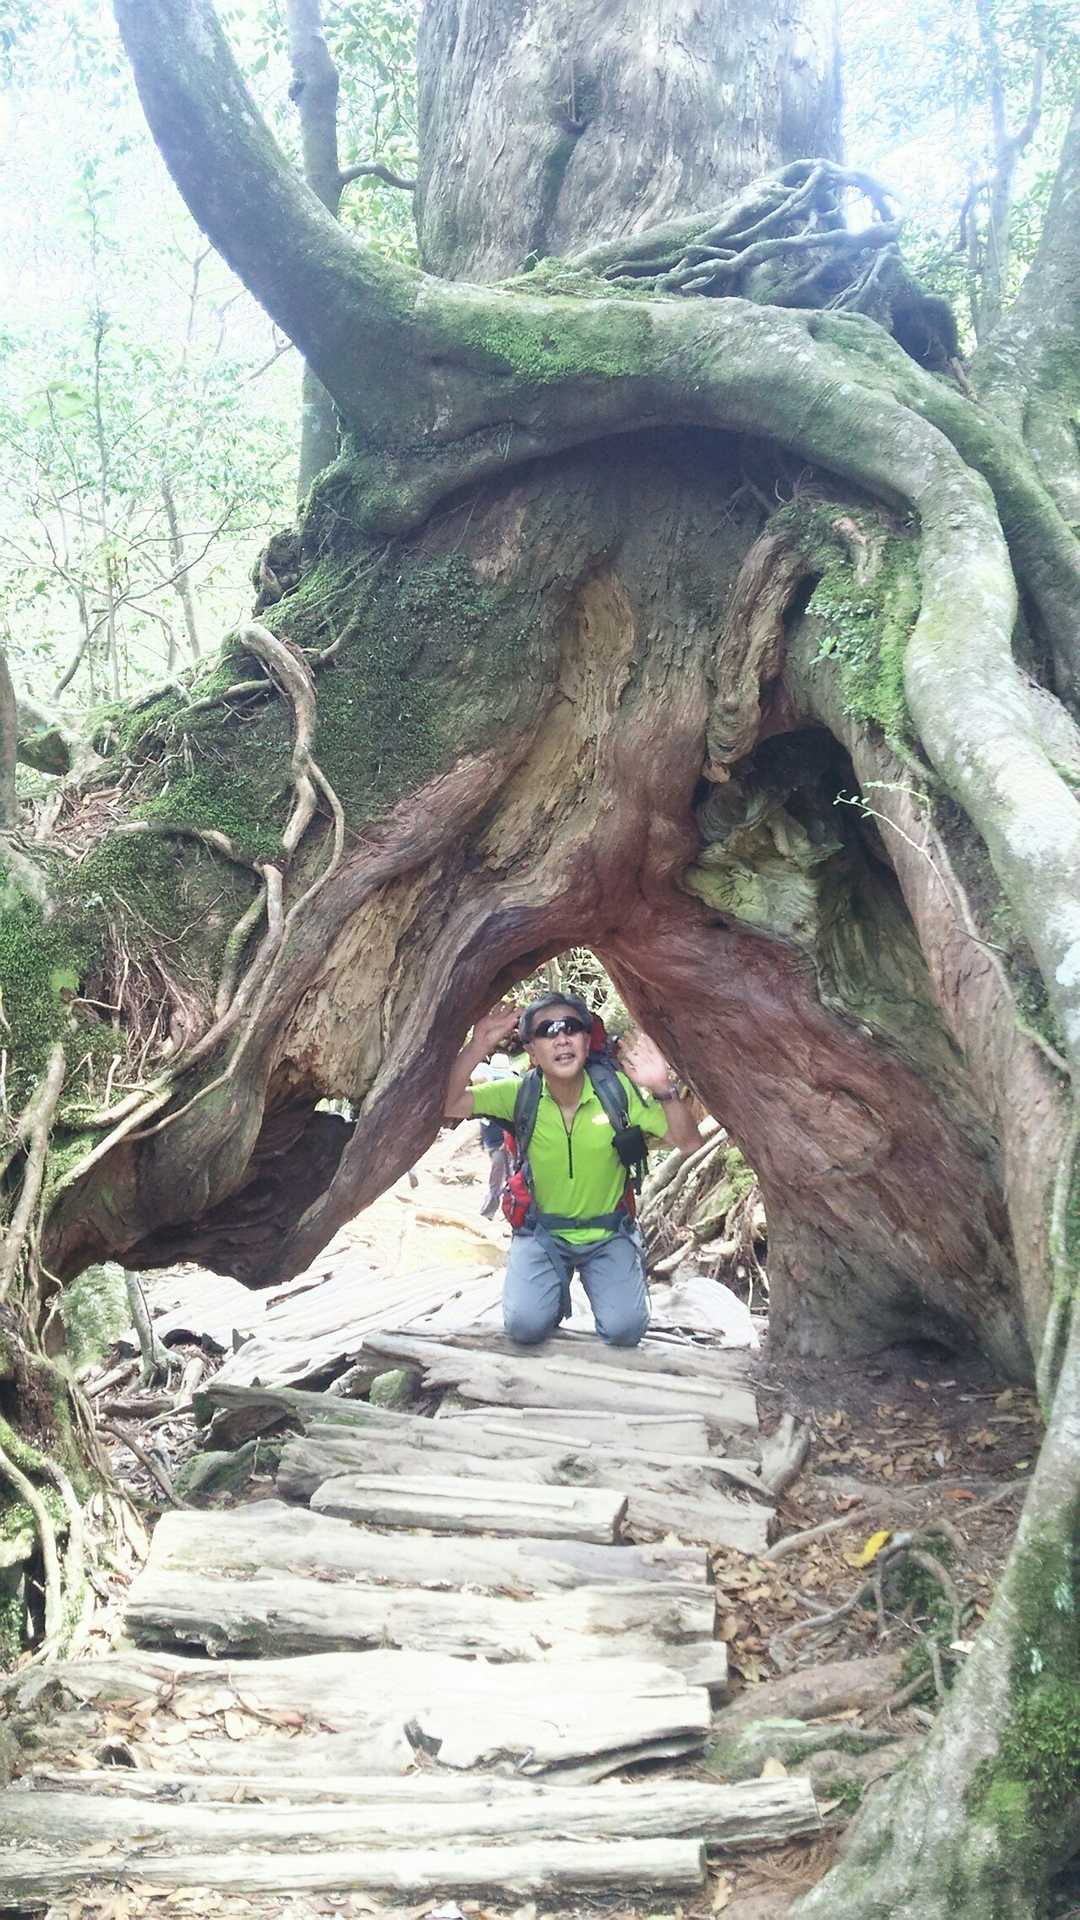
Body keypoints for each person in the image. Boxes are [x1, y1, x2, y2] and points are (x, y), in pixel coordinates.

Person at [444, 992, 702, 1347]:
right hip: (542, 1233)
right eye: (547, 1031)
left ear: (586, 1039)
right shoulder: (519, 1095)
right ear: (531, 1051)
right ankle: (546, 1300)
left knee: (625, 1331)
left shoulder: (617, 1092)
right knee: (524, 1328)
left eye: (571, 1028)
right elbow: (449, 1103)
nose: (562, 1038)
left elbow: (689, 1142)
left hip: (609, 1234)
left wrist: (662, 1087)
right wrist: (477, 1047)